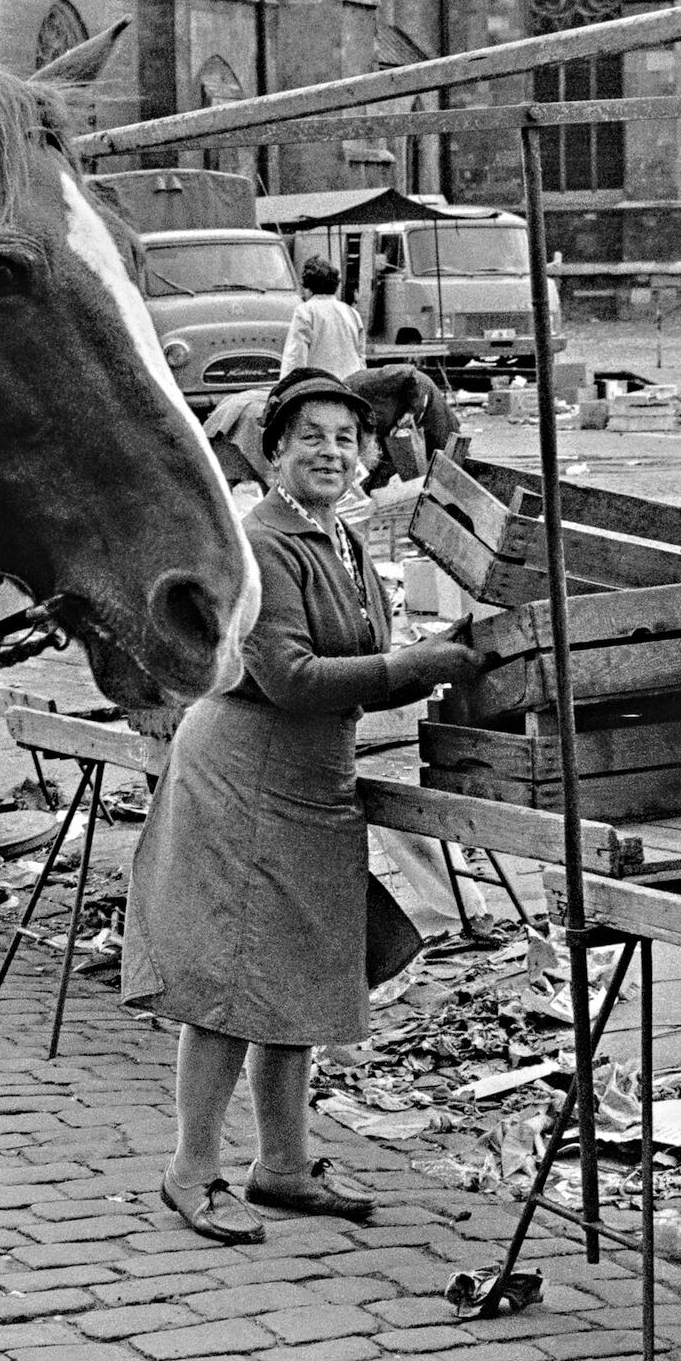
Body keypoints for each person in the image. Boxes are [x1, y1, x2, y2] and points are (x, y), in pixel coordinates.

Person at [122, 369, 486, 1243]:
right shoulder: (266, 542)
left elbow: (354, 657)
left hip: (312, 779)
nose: (332, 452)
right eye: (311, 437)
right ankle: (191, 1171)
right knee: (229, 978)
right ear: (275, 452)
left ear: (365, 457)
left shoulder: (341, 538)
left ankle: (282, 1166)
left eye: (346, 439)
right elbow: (288, 677)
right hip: (244, 774)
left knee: (298, 975)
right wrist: (419, 667)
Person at [280, 256, 366, 380]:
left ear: (307, 286)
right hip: (350, 389)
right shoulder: (352, 313)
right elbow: (361, 358)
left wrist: (283, 389)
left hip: (320, 388)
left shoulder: (305, 311)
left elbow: (295, 358)